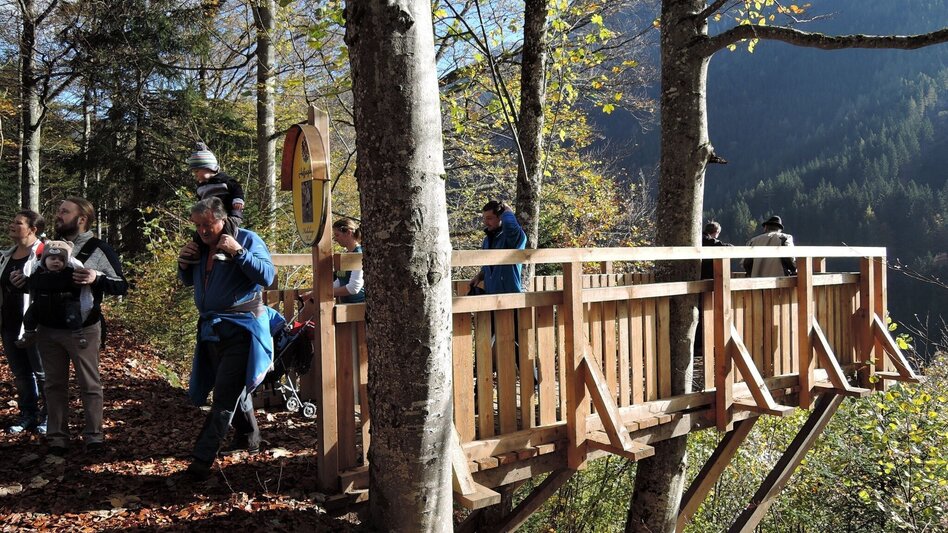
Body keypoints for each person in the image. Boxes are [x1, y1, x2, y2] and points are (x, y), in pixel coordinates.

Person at [178, 197, 275, 481]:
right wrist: (184, 264)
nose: (203, 231)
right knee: (232, 388)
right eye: (198, 225)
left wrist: (239, 252)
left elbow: (268, 276)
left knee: (223, 398)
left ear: (221, 219)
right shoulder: (199, 244)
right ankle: (250, 437)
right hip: (211, 330)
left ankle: (200, 463)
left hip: (242, 330)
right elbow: (190, 281)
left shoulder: (246, 238)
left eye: (208, 225)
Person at [40, 197, 128, 455]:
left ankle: (94, 437)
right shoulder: (47, 247)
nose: (58, 215)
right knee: (53, 385)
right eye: (58, 211)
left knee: (90, 385)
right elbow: (35, 275)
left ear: (81, 219)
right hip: (48, 328)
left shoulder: (98, 249)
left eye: (64, 212)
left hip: (82, 329)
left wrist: (95, 278)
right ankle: (57, 438)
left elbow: (121, 285)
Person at [0, 210, 47, 434]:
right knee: (21, 374)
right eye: (12, 221)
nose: (12, 225)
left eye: (18, 223)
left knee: (42, 373)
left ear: (32, 229)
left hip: (35, 325)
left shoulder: (43, 253)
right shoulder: (6, 256)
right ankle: (28, 414)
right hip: (8, 323)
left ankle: (49, 417)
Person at [17, 241, 93, 350]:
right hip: (42, 303)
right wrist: (21, 281)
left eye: (61, 260)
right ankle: (28, 334)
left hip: (64, 303)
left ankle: (78, 335)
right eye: (52, 259)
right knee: (29, 315)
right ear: (44, 260)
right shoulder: (38, 272)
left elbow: (77, 285)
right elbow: (30, 285)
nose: (57, 262)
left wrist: (79, 281)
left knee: (72, 315)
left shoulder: (69, 272)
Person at [182, 142, 245, 263]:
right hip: (209, 218)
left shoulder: (225, 180)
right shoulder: (200, 188)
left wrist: (238, 200)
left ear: (208, 167)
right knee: (199, 233)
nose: (195, 176)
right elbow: (200, 204)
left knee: (227, 227)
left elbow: (237, 189)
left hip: (228, 214)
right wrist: (194, 215)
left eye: (197, 171)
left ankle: (225, 252)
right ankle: (196, 254)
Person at [467, 200, 527, 295]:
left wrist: (506, 209)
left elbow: (510, 225)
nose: (485, 222)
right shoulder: (487, 241)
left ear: (501, 217)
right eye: (484, 218)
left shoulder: (512, 238)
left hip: (510, 299)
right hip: (491, 299)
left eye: (489, 218)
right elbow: (488, 267)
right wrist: (480, 276)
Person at [332, 218, 366, 304]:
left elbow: (354, 288)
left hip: (358, 308)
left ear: (348, 233)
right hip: (345, 307)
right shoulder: (346, 255)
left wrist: (327, 293)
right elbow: (340, 280)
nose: (335, 239)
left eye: (337, 235)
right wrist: (318, 292)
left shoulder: (359, 254)